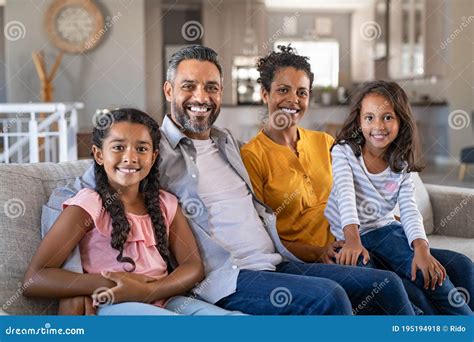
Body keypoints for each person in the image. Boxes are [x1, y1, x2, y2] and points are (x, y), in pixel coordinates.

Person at [43, 45, 414, 315]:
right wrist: (79, 285)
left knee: (383, 282)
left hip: (277, 261)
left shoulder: (228, 144)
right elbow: (77, 190)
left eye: (211, 88)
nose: (200, 98)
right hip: (227, 278)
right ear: (169, 91)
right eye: (189, 86)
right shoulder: (149, 150)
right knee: (328, 296)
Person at [241, 45, 472, 315]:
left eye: (301, 92)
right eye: (283, 90)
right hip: (316, 257)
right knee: (401, 288)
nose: (293, 99)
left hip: (362, 240)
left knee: (460, 265)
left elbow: (362, 185)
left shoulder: (324, 143)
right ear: (265, 94)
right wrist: (317, 251)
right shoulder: (251, 157)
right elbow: (262, 235)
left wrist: (388, 220)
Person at [23, 108, 234, 316]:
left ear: (153, 157)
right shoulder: (89, 204)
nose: (130, 157)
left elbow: (192, 266)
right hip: (113, 304)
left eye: (141, 149)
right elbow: (35, 279)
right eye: (118, 147)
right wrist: (107, 284)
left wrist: (149, 290)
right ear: (98, 154)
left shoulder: (165, 204)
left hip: (166, 300)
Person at [324, 80, 472, 315]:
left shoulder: (401, 161)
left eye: (388, 117)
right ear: (358, 121)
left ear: (401, 120)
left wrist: (422, 249)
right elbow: (345, 195)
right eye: (369, 117)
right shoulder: (344, 151)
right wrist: (352, 239)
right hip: (353, 235)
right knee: (391, 286)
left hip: (387, 232)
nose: (378, 126)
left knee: (427, 273)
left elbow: (409, 209)